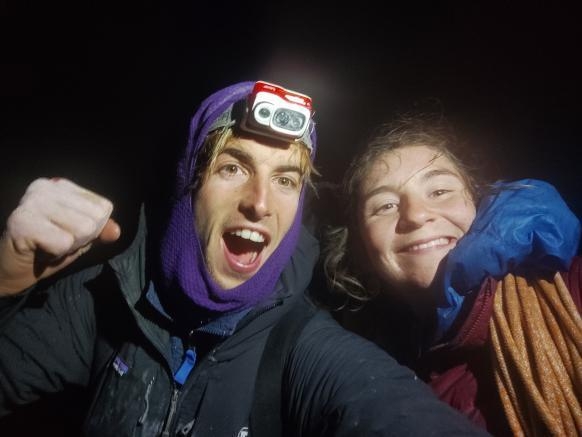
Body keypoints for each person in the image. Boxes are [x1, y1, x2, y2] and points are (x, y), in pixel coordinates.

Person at [0, 81, 488, 436]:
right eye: (232, 167)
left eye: (285, 180)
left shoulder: (304, 347)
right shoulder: (103, 298)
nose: (259, 202)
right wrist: (7, 274)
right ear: (187, 184)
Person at [321, 112, 582, 437]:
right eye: (385, 206)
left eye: (440, 191)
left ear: (478, 204)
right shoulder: (374, 373)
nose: (415, 216)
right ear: (362, 251)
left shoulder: (568, 288)